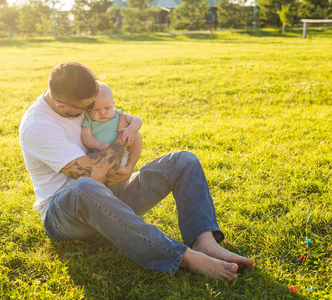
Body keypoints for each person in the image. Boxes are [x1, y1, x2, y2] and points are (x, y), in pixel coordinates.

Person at [19, 61, 255, 280]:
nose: (90, 110)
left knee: (183, 160)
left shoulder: (81, 101)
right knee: (85, 187)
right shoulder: (38, 126)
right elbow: (95, 175)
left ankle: (205, 241)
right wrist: (122, 135)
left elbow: (126, 120)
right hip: (66, 216)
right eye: (86, 107)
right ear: (62, 106)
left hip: (110, 192)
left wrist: (130, 163)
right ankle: (186, 258)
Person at [81, 82, 142, 168]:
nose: (102, 112)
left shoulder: (118, 114)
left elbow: (137, 120)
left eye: (107, 108)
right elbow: (86, 136)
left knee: (115, 167)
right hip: (97, 152)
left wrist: (131, 129)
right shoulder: (89, 119)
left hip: (120, 154)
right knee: (89, 166)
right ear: (89, 109)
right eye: (96, 109)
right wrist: (98, 144)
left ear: (113, 105)